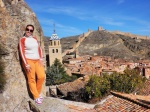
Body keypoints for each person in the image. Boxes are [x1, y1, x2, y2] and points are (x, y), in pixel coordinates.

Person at [19, 24, 45, 105]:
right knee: (31, 79)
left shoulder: (35, 38)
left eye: (31, 30)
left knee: (41, 76)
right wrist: (26, 63)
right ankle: (36, 97)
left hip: (37, 60)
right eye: (27, 29)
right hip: (29, 60)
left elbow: (39, 48)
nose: (29, 31)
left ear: (32, 32)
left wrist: (41, 58)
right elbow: (21, 52)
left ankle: (37, 92)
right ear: (25, 30)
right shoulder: (22, 40)